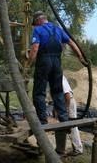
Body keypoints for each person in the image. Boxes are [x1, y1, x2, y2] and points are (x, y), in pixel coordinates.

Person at [26, 10, 86, 155]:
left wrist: (27, 65)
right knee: (57, 91)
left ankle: (43, 121)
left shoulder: (38, 30)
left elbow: (34, 49)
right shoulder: (58, 29)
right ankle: (64, 120)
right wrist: (81, 57)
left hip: (44, 62)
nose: (34, 26)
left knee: (39, 92)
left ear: (38, 21)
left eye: (35, 24)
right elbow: (72, 43)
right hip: (57, 63)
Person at [62, 75, 83, 156]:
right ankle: (76, 148)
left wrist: (66, 109)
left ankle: (78, 149)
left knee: (72, 126)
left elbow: (67, 96)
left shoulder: (59, 78)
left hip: (68, 102)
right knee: (69, 126)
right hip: (67, 102)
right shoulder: (57, 76)